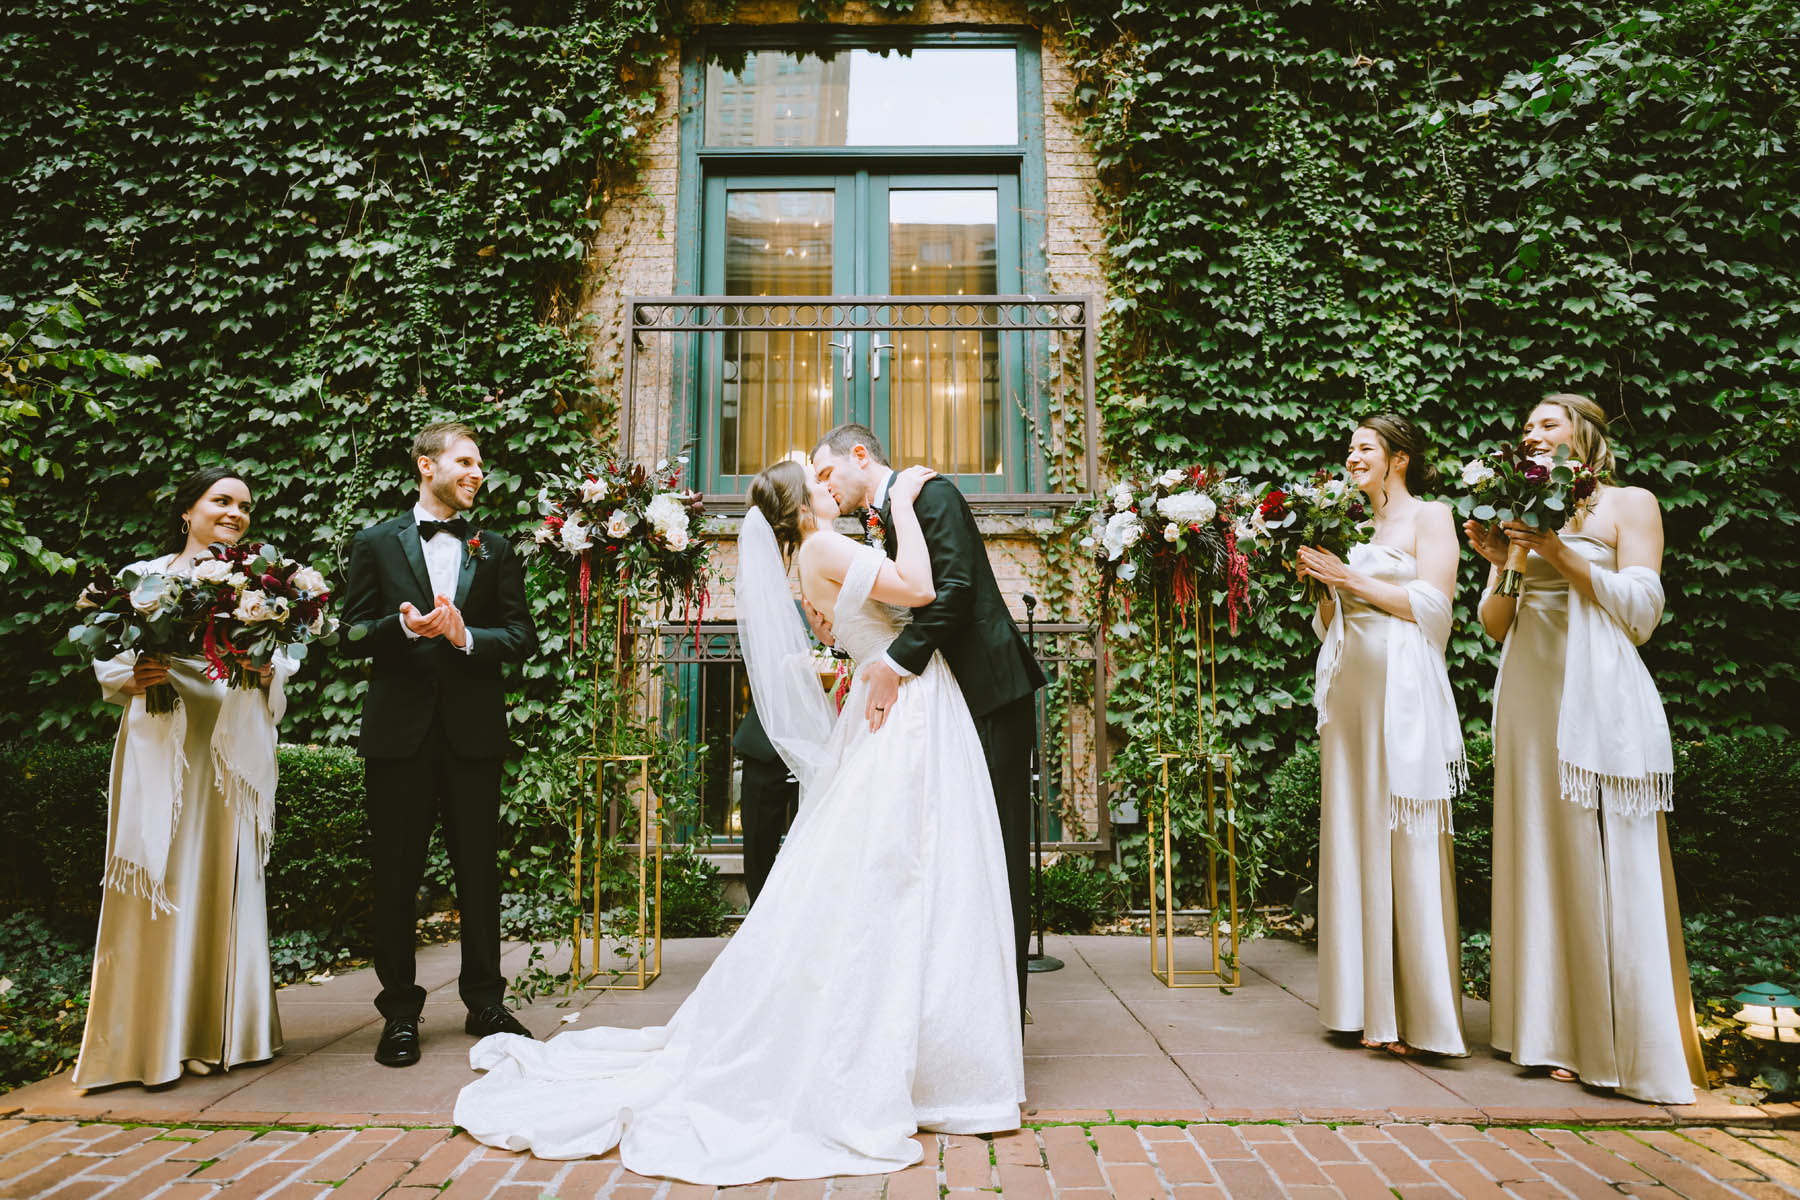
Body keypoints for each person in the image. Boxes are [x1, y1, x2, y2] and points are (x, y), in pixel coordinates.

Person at [453, 458, 1023, 1183]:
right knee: (905, 869)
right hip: (906, 708)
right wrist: (905, 503)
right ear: (802, 504)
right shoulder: (821, 547)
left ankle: (927, 1038)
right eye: (817, 483)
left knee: (901, 873)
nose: (830, 485)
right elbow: (919, 589)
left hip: (898, 701)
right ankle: (918, 1051)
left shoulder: (809, 557)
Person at [1466, 393, 1705, 1103]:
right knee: (1537, 845)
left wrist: (1559, 553)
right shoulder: (1517, 507)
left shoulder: (1632, 503)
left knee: (1595, 846)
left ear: (1584, 433)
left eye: (1547, 421)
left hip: (1596, 691)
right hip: (1528, 692)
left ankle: (1605, 1036)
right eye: (1527, 423)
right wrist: (1508, 557)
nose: (1532, 431)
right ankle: (1539, 1030)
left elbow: (1641, 612)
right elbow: (1494, 623)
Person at [809, 423, 1046, 1016]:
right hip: (942, 706)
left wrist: (894, 664)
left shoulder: (930, 495)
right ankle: (955, 1006)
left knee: (998, 853)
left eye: (827, 471)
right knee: (955, 854)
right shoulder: (878, 521)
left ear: (859, 455)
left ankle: (1002, 1016)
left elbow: (956, 591)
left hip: (988, 693)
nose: (824, 485)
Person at [75, 466, 291, 1090]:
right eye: (221, 501)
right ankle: (150, 1039)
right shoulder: (143, 579)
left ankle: (224, 1033)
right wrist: (129, 676)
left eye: (244, 506)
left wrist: (265, 665)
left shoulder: (262, 589)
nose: (235, 513)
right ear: (186, 511)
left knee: (227, 874)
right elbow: (110, 657)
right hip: (164, 738)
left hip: (228, 749)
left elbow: (283, 665)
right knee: (160, 866)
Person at [341, 421, 538, 1068]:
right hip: (398, 736)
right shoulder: (374, 542)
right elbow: (349, 633)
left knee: (479, 872)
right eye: (465, 461)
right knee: (396, 876)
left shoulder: (496, 547)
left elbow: (521, 636)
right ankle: (399, 1011)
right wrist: (399, 628)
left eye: (479, 463)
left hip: (473, 736)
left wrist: (465, 639)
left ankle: (485, 1000)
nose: (477, 472)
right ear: (427, 467)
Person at [1297, 415, 1468, 1060]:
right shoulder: (1349, 526)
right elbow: (1332, 623)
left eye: (1364, 447)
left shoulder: (1432, 517)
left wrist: (1351, 580)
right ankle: (1358, 1004)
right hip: (1349, 695)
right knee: (1353, 831)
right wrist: (1323, 589)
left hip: (1403, 688)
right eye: (1349, 447)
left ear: (1398, 458)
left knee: (1407, 829)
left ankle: (1420, 1014)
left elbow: (1435, 609)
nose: (1351, 455)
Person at [731, 702, 798, 904]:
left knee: (814, 837)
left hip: (825, 740)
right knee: (757, 840)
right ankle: (759, 914)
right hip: (766, 741)